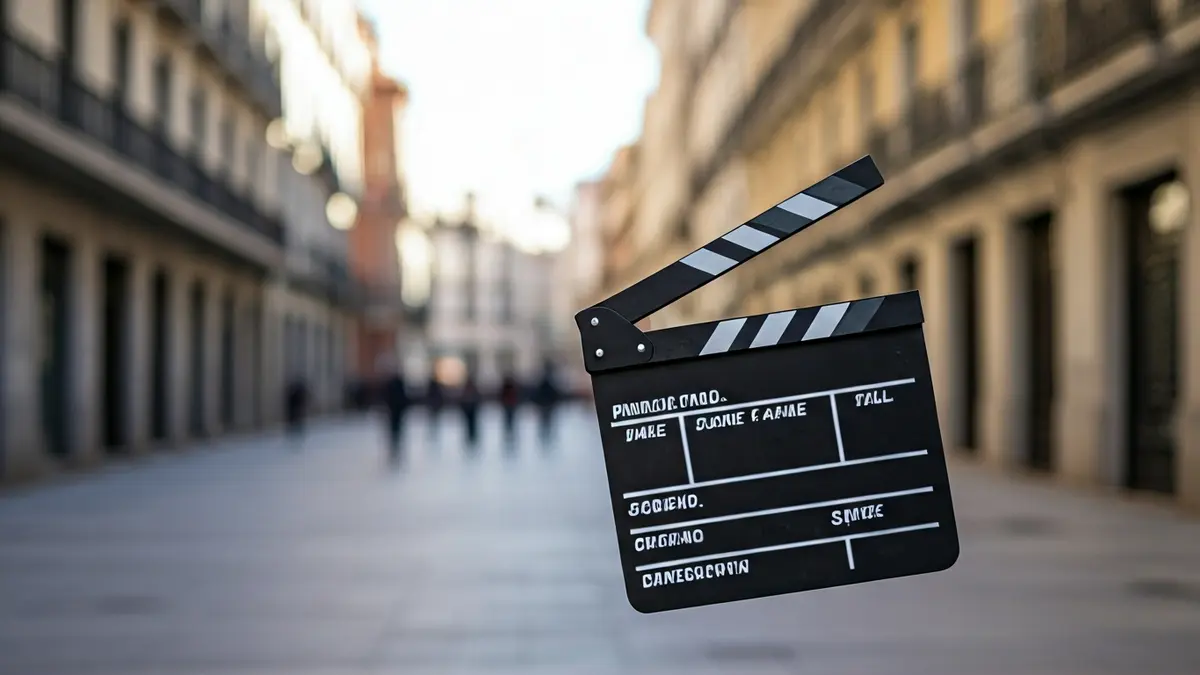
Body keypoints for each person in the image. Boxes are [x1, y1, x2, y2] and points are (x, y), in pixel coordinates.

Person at [381, 365, 411, 458]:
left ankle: (396, 445)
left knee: (396, 428)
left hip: (397, 410)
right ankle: (394, 445)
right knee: (395, 429)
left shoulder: (398, 383)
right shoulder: (393, 384)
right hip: (394, 410)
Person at [533, 363, 560, 443]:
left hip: (545, 405)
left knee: (546, 420)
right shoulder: (549, 382)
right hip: (547, 405)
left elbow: (537, 393)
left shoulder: (544, 382)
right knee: (546, 420)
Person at [284, 376, 309, 446]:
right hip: (295, 410)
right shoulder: (295, 393)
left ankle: (297, 434)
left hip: (296, 410)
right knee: (296, 422)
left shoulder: (296, 392)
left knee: (298, 422)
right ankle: (295, 434)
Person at [460, 374, 481, 448]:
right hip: (469, 408)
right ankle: (471, 435)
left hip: (472, 408)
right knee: (470, 424)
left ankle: (472, 435)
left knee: (472, 424)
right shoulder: (468, 388)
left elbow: (477, 398)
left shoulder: (471, 388)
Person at [498, 373, 520, 443]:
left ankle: (510, 431)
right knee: (509, 419)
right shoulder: (509, 387)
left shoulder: (508, 387)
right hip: (509, 405)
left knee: (509, 419)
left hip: (509, 405)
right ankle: (509, 431)